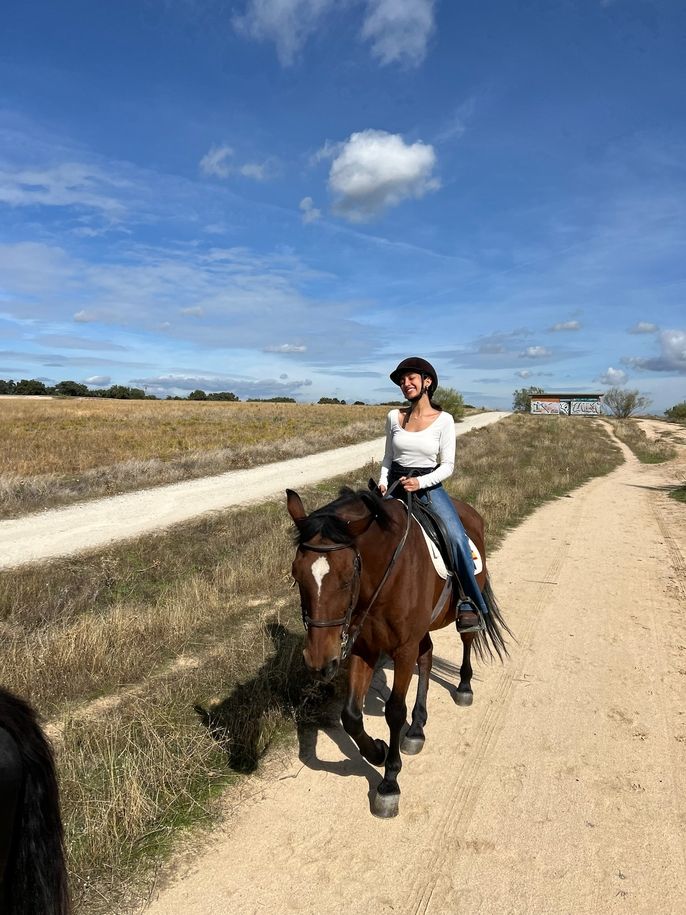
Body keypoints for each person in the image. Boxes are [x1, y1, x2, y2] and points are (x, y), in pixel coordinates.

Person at [378, 357, 488, 633]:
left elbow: (448, 466)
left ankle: (468, 601)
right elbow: (388, 458)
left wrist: (420, 482)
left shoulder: (444, 420)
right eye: (402, 380)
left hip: (428, 488)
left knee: (455, 536)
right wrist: (382, 481)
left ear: (427, 382)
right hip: (393, 486)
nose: (405, 383)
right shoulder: (394, 416)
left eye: (411, 378)